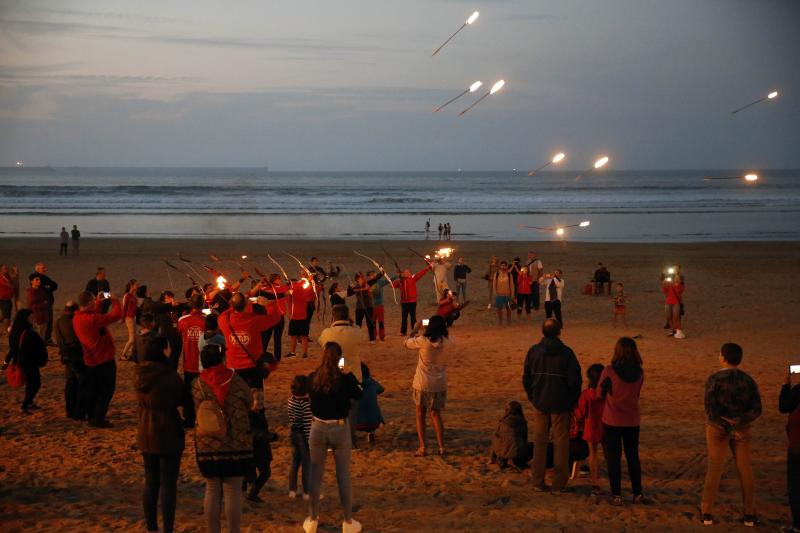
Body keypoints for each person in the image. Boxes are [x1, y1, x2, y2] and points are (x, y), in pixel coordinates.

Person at [303, 342, 363, 533]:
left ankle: (312, 518)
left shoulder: (313, 378)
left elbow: (307, 392)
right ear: (339, 359)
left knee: (315, 474)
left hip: (318, 426)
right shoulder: (344, 380)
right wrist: (348, 374)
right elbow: (359, 394)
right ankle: (347, 520)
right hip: (339, 427)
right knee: (343, 475)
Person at [193, 344, 253, 533]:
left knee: (211, 490)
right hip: (236, 443)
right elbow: (250, 400)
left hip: (208, 443)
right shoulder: (236, 380)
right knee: (233, 491)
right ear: (222, 359)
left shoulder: (198, 384)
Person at [700, 343, 762, 527]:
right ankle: (749, 514)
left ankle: (707, 511)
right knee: (745, 469)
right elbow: (757, 409)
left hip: (718, 428)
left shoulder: (714, 380)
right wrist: (739, 422)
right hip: (742, 428)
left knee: (715, 468)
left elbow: (710, 409)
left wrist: (726, 425)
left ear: (723, 358)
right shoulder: (748, 381)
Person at [522, 319, 582, 492]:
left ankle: (537, 481)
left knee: (540, 441)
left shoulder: (534, 352)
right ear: (559, 332)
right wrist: (572, 400)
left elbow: (527, 377)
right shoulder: (566, 353)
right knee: (561, 442)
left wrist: (533, 396)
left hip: (540, 401)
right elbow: (574, 381)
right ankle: (559, 482)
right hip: (561, 402)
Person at [136, 336, 185, 533]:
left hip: (146, 431)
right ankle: (168, 528)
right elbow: (183, 398)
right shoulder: (167, 375)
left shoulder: (140, 374)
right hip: (167, 431)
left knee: (151, 482)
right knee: (168, 484)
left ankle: (151, 526)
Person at [598, 338, 645, 505]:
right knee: (633, 456)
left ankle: (616, 494)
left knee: (614, 458)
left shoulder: (609, 371)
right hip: (632, 420)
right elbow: (637, 393)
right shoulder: (639, 372)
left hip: (612, 420)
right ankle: (637, 492)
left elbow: (599, 393)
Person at [73, 290, 122, 428]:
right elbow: (115, 315)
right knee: (106, 390)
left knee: (94, 390)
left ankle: (92, 415)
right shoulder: (91, 320)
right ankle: (97, 419)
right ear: (89, 303)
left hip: (91, 360)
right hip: (103, 359)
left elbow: (95, 316)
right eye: (93, 301)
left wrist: (99, 303)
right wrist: (114, 300)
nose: (95, 302)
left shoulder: (78, 317)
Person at [405, 315, 451, 457]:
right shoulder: (447, 342)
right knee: (435, 414)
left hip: (422, 382)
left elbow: (406, 342)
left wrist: (416, 329)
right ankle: (441, 447)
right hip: (439, 383)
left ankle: (423, 447)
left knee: (420, 414)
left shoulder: (423, 341)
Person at [318, 305, 363, 446]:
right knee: (352, 410)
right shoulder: (356, 331)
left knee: (334, 410)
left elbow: (321, 343)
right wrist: (352, 322)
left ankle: (334, 440)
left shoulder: (327, 333)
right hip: (353, 374)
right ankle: (351, 439)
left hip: (333, 375)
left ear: (334, 317)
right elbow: (361, 336)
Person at [2, 309, 48, 412]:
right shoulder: (29, 334)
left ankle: (29, 403)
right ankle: (25, 405)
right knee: (35, 383)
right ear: (25, 319)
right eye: (31, 317)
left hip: (20, 362)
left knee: (30, 383)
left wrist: (6, 361)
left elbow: (13, 349)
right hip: (29, 362)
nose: (33, 319)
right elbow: (38, 345)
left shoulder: (14, 332)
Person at [575, 363, 605, 493]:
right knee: (609, 453)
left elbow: (580, 414)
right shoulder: (608, 394)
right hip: (607, 426)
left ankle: (595, 481)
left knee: (593, 453)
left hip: (591, 427)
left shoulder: (587, 394)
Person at [177, 294, 206, 426]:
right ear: (202, 305)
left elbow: (178, 333)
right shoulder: (206, 320)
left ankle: (189, 419)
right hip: (204, 363)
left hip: (189, 363)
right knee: (204, 393)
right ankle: (204, 418)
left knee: (189, 393)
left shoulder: (182, 320)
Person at [54, 301, 85, 420]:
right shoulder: (76, 322)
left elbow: (58, 340)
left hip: (66, 356)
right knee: (81, 383)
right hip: (77, 356)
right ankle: (78, 412)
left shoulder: (58, 322)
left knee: (70, 384)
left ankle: (69, 410)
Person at [779, 369, 800, 533]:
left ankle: (798, 525)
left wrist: (786, 385)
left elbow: (784, 406)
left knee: (796, 486)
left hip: (797, 445)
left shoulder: (798, 390)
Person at [287, 374, 312, 500]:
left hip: (293, 433)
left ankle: (292, 489)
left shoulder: (291, 401)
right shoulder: (305, 405)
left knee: (295, 463)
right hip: (303, 435)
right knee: (306, 464)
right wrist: (309, 441)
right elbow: (308, 424)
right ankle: (307, 492)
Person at [490, 400, 533, 470]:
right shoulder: (522, 422)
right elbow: (524, 438)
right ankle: (516, 460)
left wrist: (493, 457)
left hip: (501, 452)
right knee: (532, 446)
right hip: (517, 452)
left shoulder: (503, 421)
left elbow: (495, 438)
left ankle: (503, 459)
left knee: (499, 440)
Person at [391, 265, 430, 336]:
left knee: (413, 317)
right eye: (404, 272)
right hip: (404, 303)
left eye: (407, 272)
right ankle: (403, 332)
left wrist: (427, 268)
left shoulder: (412, 279)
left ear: (409, 274)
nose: (405, 273)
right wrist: (398, 278)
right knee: (404, 318)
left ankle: (415, 332)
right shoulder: (400, 281)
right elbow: (392, 285)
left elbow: (420, 274)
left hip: (412, 302)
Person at [29, 262, 58, 345]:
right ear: (37, 269)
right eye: (43, 268)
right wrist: (47, 288)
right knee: (42, 324)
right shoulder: (35, 278)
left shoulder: (45, 277)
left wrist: (48, 288)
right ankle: (44, 340)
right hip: (42, 308)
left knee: (48, 322)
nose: (45, 269)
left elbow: (55, 285)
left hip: (47, 305)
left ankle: (46, 339)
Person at [356, 362, 385, 443]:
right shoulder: (372, 382)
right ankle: (371, 432)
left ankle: (351, 436)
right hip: (374, 423)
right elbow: (381, 390)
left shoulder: (353, 384)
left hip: (357, 424)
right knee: (373, 405)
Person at [288, 278, 314, 358]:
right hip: (296, 316)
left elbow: (310, 295)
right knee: (297, 336)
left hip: (301, 317)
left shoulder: (299, 291)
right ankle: (296, 352)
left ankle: (303, 353)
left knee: (301, 336)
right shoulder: (294, 292)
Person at [367, 270, 390, 341]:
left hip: (380, 305)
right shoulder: (367, 284)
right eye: (371, 275)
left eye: (374, 274)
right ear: (368, 277)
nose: (373, 276)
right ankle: (374, 335)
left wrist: (397, 276)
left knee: (381, 322)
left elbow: (389, 280)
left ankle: (382, 336)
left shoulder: (380, 282)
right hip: (372, 306)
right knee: (373, 322)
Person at [492, 261, 515, 325]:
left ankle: (509, 322)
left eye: (504, 266)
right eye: (502, 265)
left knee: (509, 309)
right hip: (499, 295)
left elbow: (512, 285)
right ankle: (500, 322)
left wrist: (512, 294)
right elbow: (494, 285)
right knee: (499, 309)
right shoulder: (496, 274)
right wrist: (495, 294)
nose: (503, 267)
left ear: (507, 266)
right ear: (500, 266)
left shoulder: (509, 274)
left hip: (508, 295)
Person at [120, 279, 139, 360]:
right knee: (132, 339)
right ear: (131, 285)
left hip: (133, 317)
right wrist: (122, 318)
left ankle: (132, 354)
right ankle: (123, 354)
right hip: (129, 318)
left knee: (134, 337)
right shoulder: (127, 295)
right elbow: (124, 307)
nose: (137, 286)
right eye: (136, 285)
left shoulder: (133, 295)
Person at [663, 273, 685, 339]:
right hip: (668, 302)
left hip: (676, 303)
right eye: (675, 277)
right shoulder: (669, 284)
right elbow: (665, 291)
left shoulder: (681, 286)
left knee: (676, 317)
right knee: (668, 317)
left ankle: (679, 330)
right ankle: (673, 330)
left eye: (678, 278)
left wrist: (676, 285)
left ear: (680, 280)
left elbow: (679, 292)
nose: (676, 279)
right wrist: (664, 284)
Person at [26, 275, 49, 339]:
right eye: (37, 280)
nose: (39, 281)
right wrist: (44, 304)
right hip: (37, 317)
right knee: (38, 336)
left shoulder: (41, 290)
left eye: (39, 280)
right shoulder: (31, 292)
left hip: (44, 316)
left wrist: (45, 304)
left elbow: (46, 300)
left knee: (42, 335)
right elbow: (32, 305)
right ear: (31, 282)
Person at [0, 264, 17, 336]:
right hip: (3, 299)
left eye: (7, 268)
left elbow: (13, 283)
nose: (6, 270)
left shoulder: (8, 277)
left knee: (4, 316)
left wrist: (15, 274)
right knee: (7, 316)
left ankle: (4, 330)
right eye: (5, 269)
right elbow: (10, 285)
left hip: (7, 299)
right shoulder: (1, 277)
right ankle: (5, 331)